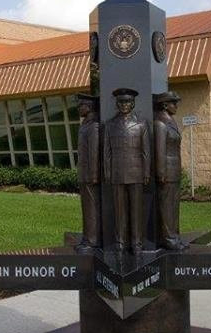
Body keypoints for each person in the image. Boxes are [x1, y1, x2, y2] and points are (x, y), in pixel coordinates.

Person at [102, 88, 150, 254]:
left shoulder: (142, 124)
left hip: (136, 173)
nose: (124, 105)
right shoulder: (109, 125)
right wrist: (107, 173)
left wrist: (146, 173)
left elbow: (146, 152)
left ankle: (137, 243)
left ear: (133, 103)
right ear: (117, 104)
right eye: (121, 102)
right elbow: (106, 152)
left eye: (127, 102)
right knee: (119, 211)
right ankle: (120, 242)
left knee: (136, 211)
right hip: (116, 174)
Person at [154, 91, 187, 250]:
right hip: (166, 172)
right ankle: (168, 238)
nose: (176, 106)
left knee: (174, 205)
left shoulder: (171, 122)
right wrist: (161, 173)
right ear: (165, 105)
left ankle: (175, 235)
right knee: (166, 206)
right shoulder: (160, 124)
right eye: (174, 103)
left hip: (174, 171)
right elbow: (159, 151)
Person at [75, 93, 101, 252]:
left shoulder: (93, 126)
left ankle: (92, 240)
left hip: (90, 175)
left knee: (92, 208)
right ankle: (88, 237)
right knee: (87, 207)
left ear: (89, 107)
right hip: (85, 173)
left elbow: (94, 152)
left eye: (81, 106)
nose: (79, 109)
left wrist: (93, 174)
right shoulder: (86, 124)